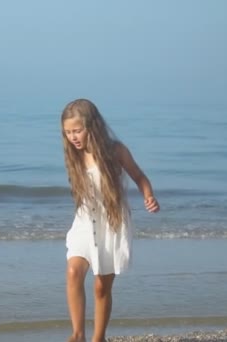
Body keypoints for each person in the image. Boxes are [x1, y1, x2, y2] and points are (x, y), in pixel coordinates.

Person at [61, 99, 160, 342]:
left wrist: (148, 195)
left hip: (112, 224)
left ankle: (99, 338)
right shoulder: (74, 154)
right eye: (68, 132)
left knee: (100, 287)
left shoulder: (116, 151)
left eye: (77, 130)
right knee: (73, 272)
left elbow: (139, 176)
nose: (73, 137)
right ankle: (77, 334)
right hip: (84, 222)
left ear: (92, 127)